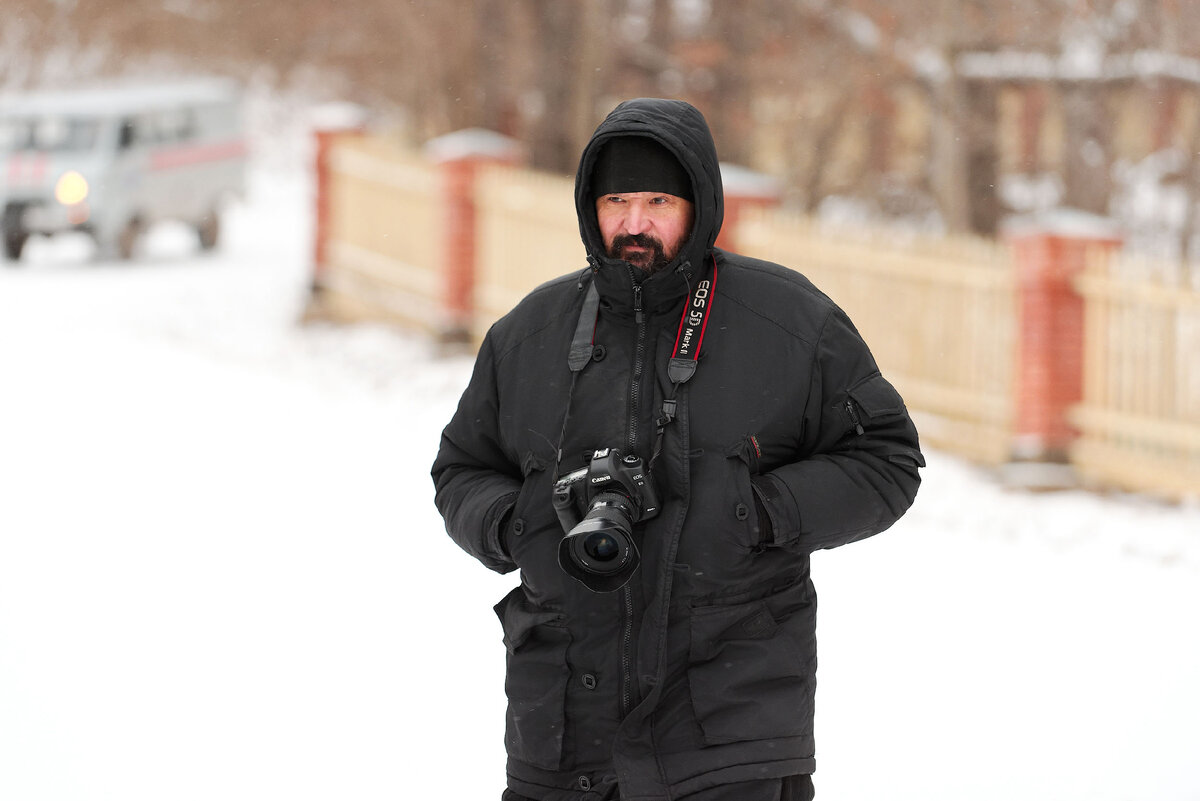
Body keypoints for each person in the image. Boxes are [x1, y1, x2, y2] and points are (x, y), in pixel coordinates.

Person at [431, 98, 924, 801]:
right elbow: (461, 467)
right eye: (617, 200)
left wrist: (757, 512)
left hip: (729, 740)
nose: (635, 223)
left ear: (699, 203)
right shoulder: (529, 333)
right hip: (563, 738)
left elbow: (887, 458)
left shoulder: (788, 324)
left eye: (658, 199)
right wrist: (517, 523)